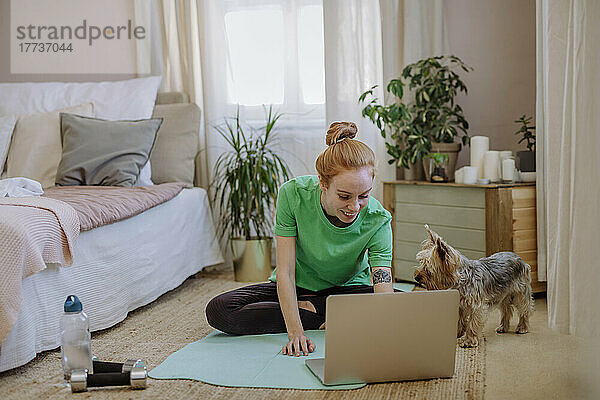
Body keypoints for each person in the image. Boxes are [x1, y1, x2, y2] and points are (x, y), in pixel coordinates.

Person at [205, 121, 394, 357]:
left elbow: (382, 286)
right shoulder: (292, 195)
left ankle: (315, 310)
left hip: (348, 291)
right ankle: (321, 314)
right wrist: (295, 332)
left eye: (363, 196)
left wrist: (386, 328)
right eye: (344, 196)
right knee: (219, 310)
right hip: (296, 287)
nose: (354, 206)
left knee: (401, 303)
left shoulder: (378, 219)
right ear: (323, 184)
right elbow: (285, 271)